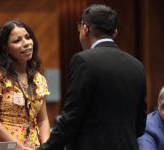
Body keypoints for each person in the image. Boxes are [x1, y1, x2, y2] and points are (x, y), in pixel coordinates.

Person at [38, 4, 147, 150]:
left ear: (85, 28)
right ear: (114, 32)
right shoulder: (137, 66)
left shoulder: (83, 61)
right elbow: (140, 125)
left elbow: (71, 118)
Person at [0, 19, 50, 150]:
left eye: (28, 37)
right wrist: (19, 148)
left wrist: (46, 146)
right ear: (6, 48)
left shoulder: (39, 79)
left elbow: (43, 119)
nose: (26, 43)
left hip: (33, 146)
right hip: (5, 146)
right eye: (17, 40)